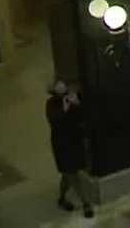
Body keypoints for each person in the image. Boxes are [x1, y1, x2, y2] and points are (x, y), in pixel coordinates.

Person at [46, 81, 93, 218]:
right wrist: (64, 109)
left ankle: (61, 198)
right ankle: (86, 203)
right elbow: (54, 120)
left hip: (74, 141)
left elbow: (83, 117)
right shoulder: (51, 104)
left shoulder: (73, 98)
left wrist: (77, 104)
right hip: (62, 144)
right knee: (73, 175)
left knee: (68, 175)